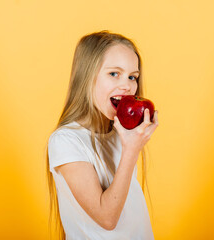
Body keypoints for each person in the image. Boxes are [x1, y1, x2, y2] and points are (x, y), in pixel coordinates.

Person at [45, 30, 159, 240]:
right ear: (87, 77)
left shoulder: (120, 133)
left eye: (132, 77)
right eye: (114, 73)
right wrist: (131, 150)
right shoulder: (65, 141)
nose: (127, 85)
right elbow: (107, 218)